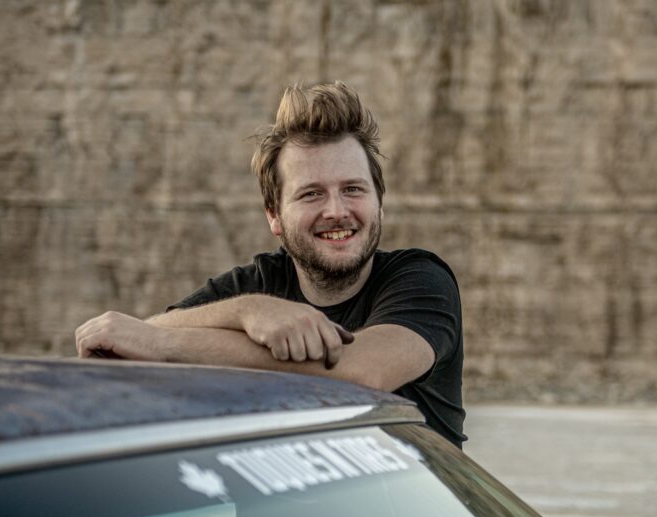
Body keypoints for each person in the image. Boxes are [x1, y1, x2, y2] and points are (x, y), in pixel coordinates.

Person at [75, 81, 465, 447]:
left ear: (379, 200)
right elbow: (135, 340)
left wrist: (165, 344)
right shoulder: (256, 285)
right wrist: (249, 310)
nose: (337, 210)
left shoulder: (421, 279)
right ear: (274, 216)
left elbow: (363, 372)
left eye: (353, 189)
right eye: (311, 194)